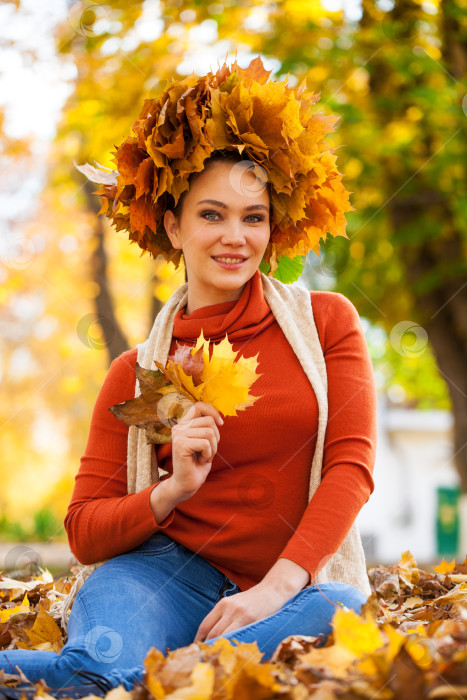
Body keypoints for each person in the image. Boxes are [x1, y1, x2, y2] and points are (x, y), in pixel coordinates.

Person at [0, 57, 377, 695]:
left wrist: (276, 587)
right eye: (212, 214)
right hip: (162, 575)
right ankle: (159, 674)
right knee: (103, 672)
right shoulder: (140, 372)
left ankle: (167, 675)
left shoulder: (325, 324)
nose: (235, 236)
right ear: (173, 226)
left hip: (292, 590)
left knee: (336, 611)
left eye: (253, 217)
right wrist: (169, 492)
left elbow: (351, 467)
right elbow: (84, 529)